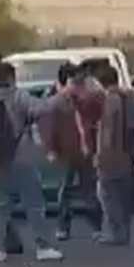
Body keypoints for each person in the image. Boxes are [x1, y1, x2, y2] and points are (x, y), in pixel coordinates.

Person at [0, 61, 63, 263]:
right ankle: (43, 247)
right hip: (20, 155)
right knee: (33, 201)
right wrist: (59, 95)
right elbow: (41, 109)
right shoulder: (17, 96)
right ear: (10, 78)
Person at [41, 62, 101, 241]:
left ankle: (96, 226)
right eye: (74, 81)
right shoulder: (56, 102)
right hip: (67, 151)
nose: (77, 85)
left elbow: (96, 122)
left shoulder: (86, 100)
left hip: (86, 151)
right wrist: (51, 149)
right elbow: (49, 128)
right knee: (65, 190)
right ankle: (63, 226)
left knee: (89, 189)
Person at [93, 65, 134, 246]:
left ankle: (115, 234)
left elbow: (107, 132)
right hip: (127, 153)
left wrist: (100, 155)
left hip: (112, 155)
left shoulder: (110, 101)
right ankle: (124, 232)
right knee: (123, 196)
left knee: (107, 195)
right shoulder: (128, 97)